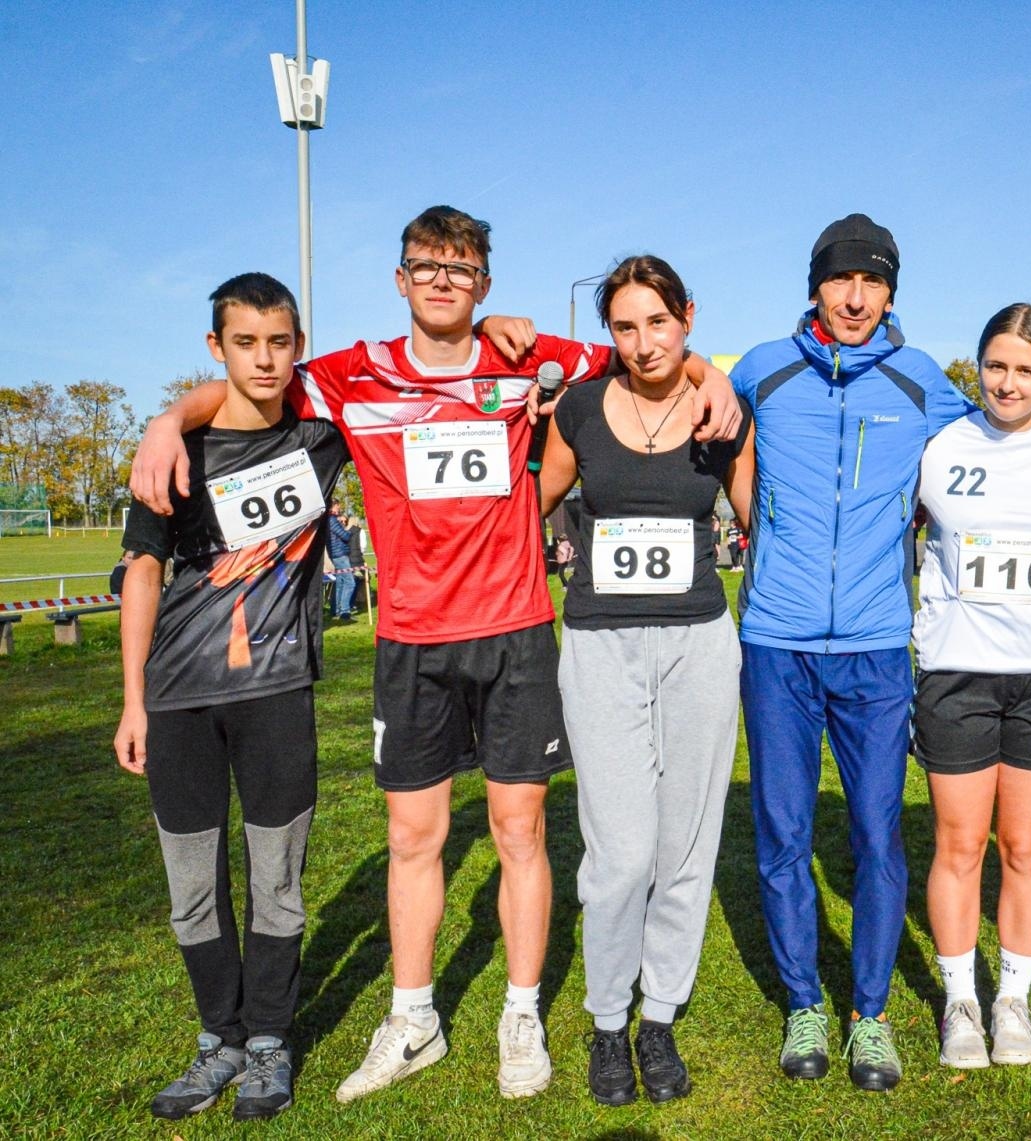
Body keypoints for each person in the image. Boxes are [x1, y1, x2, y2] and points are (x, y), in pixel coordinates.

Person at [128, 206, 740, 1104]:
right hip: (410, 641)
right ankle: (412, 1017)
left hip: (517, 632)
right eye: (428, 265)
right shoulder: (349, 376)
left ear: (485, 284)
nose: (444, 280)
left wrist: (704, 373)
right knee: (412, 838)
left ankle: (520, 1015)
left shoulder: (531, 359)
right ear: (401, 279)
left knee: (519, 832)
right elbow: (251, 392)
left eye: (462, 268)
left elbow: (640, 352)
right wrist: (163, 421)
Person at [731, 214, 976, 1092]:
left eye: (873, 283)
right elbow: (680, 394)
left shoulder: (923, 383)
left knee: (877, 833)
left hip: (876, 645)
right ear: (816, 285)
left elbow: (1020, 429)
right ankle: (804, 1000)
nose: (856, 298)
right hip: (776, 642)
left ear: (891, 293)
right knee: (783, 832)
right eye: (842, 281)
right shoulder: (761, 368)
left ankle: (868, 1015)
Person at [115, 273, 349, 1121]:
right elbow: (142, 575)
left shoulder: (324, 435)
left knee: (277, 878)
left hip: (277, 694)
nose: (264, 358)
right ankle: (218, 1036)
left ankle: (267, 1042)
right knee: (192, 886)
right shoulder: (173, 454)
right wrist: (133, 701)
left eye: (280, 341)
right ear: (217, 347)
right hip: (177, 698)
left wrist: (169, 409)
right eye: (245, 342)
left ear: (298, 345)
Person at [537, 255, 755, 1106]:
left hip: (699, 642)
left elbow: (753, 516)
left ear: (687, 317)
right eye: (624, 326)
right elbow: (536, 499)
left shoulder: (720, 411)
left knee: (686, 843)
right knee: (620, 852)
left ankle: (658, 1016)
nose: (643, 341)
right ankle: (604, 1020)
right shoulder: (583, 406)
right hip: (600, 644)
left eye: (657, 322)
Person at [914, 304, 1031, 1070]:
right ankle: (960, 1001)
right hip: (956, 671)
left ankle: (1012, 998)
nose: (1007, 382)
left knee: (1026, 844)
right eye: (995, 364)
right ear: (977, 365)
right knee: (959, 842)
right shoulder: (942, 444)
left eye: (1025, 369)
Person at [326, 498, 356, 619]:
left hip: (335, 553)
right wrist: (348, 528)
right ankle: (344, 611)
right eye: (338, 506)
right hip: (340, 554)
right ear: (333, 506)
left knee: (340, 582)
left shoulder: (329, 520)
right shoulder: (332, 520)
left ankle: (336, 610)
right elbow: (345, 536)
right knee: (350, 582)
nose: (339, 508)